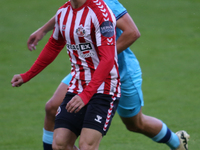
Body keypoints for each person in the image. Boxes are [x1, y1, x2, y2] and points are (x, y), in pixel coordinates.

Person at [15, 0, 190, 150]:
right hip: (84, 70)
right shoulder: (69, 9)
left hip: (119, 72)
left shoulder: (104, 6)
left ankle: (177, 142)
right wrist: (45, 29)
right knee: (52, 108)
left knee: (135, 124)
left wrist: (98, 57)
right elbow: (71, 10)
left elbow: (132, 32)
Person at [11, 0, 121, 150]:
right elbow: (54, 46)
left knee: (87, 146)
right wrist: (27, 75)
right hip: (77, 86)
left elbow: (108, 60)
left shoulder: (101, 13)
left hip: (104, 88)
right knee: (60, 144)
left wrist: (86, 95)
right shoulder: (63, 13)